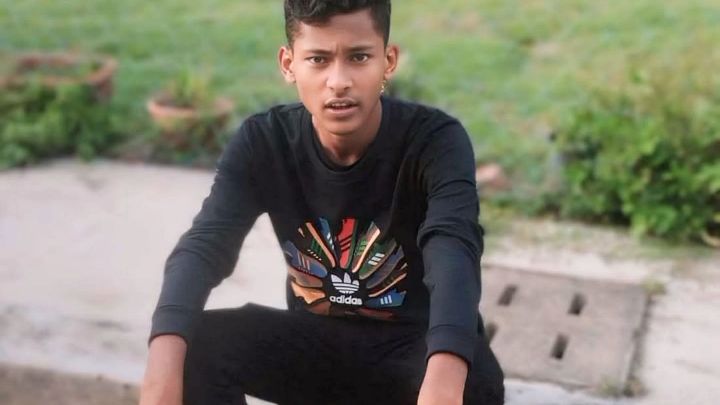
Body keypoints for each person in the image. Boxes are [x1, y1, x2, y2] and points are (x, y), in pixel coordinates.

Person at [139, 1, 504, 404]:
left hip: (416, 351)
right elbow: (204, 247)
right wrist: (159, 381)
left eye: (359, 57)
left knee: (472, 383)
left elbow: (453, 251)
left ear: (388, 61)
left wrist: (443, 389)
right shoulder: (265, 143)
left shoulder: (435, 141)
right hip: (317, 350)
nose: (339, 81)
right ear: (289, 64)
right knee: (191, 348)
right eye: (318, 59)